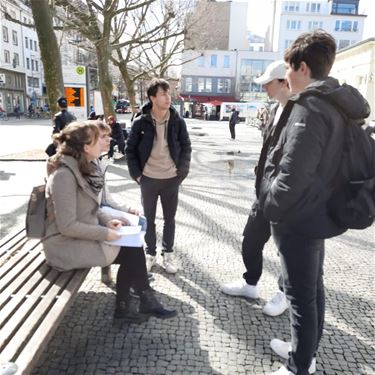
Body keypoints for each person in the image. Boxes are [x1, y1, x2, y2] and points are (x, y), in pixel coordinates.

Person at [259, 31, 370, 375]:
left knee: (300, 296)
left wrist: (270, 205)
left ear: (303, 68)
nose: (287, 76)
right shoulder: (335, 102)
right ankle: (303, 351)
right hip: (316, 211)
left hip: (298, 218)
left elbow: (293, 174)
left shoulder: (311, 107)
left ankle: (298, 366)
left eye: (290, 69)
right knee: (312, 288)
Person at [43, 121, 177, 323]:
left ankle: (135, 304)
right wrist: (105, 233)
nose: (108, 141)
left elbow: (92, 208)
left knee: (132, 245)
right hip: (63, 246)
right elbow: (67, 226)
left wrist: (108, 220)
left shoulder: (83, 167)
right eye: (100, 138)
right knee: (130, 249)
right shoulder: (63, 176)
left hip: (77, 237)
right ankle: (137, 303)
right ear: (86, 146)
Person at [221, 60, 291, 317]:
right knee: (251, 240)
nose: (264, 88)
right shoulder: (274, 110)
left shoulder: (300, 112)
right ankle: (250, 283)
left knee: (287, 250)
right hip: (264, 191)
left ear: (284, 81)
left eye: (268, 83)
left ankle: (284, 293)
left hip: (287, 196)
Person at [126, 78, 192, 274]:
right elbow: (130, 150)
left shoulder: (177, 121)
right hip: (148, 179)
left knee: (170, 219)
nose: (168, 98)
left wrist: (181, 173)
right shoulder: (140, 122)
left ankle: (168, 254)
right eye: (163, 94)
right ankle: (150, 254)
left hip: (171, 178)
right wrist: (137, 175)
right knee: (149, 219)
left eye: (168, 93)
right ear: (153, 97)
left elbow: (186, 147)